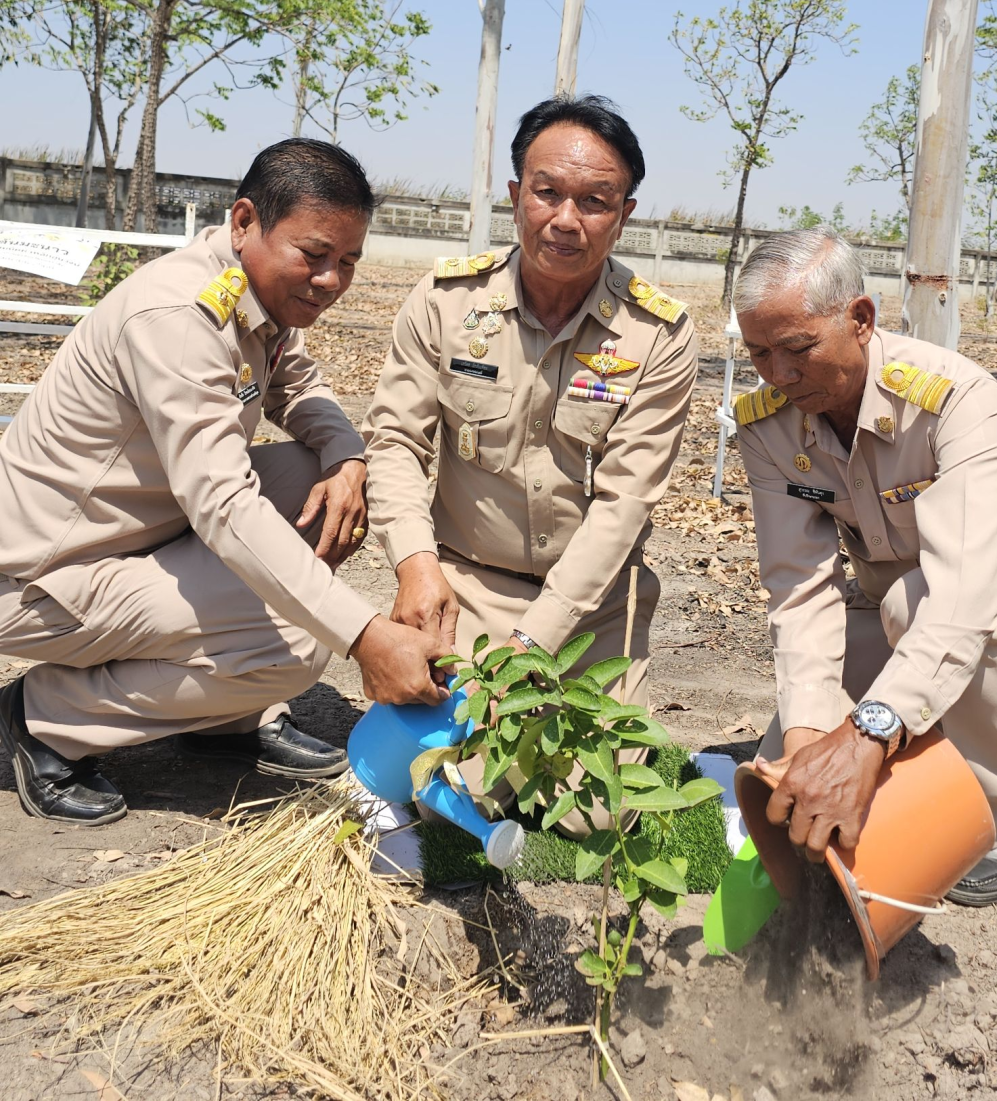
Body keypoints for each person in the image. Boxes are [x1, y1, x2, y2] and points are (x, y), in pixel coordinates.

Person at [0, 139, 448, 827]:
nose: (330, 279)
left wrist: (346, 458)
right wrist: (366, 636)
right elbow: (223, 506)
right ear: (244, 222)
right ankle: (44, 718)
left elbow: (299, 385)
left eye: (348, 261)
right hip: (44, 575)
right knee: (297, 644)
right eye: (315, 254)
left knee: (317, 482)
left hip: (138, 537)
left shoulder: (252, 291)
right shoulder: (179, 319)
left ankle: (224, 713)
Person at [362, 96, 697, 830]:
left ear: (624, 215)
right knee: (442, 791)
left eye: (595, 201)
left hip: (591, 610)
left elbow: (624, 507)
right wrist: (416, 566)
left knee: (594, 819)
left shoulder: (657, 335)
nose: (566, 219)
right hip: (466, 591)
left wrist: (532, 643)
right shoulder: (446, 302)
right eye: (547, 193)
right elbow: (394, 443)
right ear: (516, 196)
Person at [732, 227, 997, 905]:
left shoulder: (955, 398)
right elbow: (800, 589)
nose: (778, 374)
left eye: (799, 349)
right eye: (759, 352)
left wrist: (867, 735)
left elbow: (961, 599)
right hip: (889, 605)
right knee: (784, 757)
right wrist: (809, 739)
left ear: (860, 320)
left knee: (912, 611)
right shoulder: (767, 425)